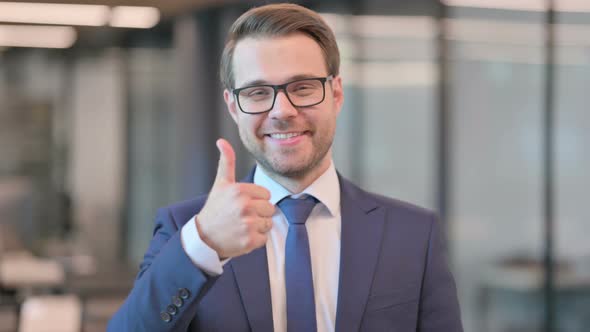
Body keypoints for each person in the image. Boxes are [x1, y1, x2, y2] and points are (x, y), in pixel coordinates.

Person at [108, 3, 463, 332]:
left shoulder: (415, 235)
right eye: (258, 92)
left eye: (303, 87)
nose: (282, 111)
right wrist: (204, 245)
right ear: (233, 106)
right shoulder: (185, 230)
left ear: (336, 93)